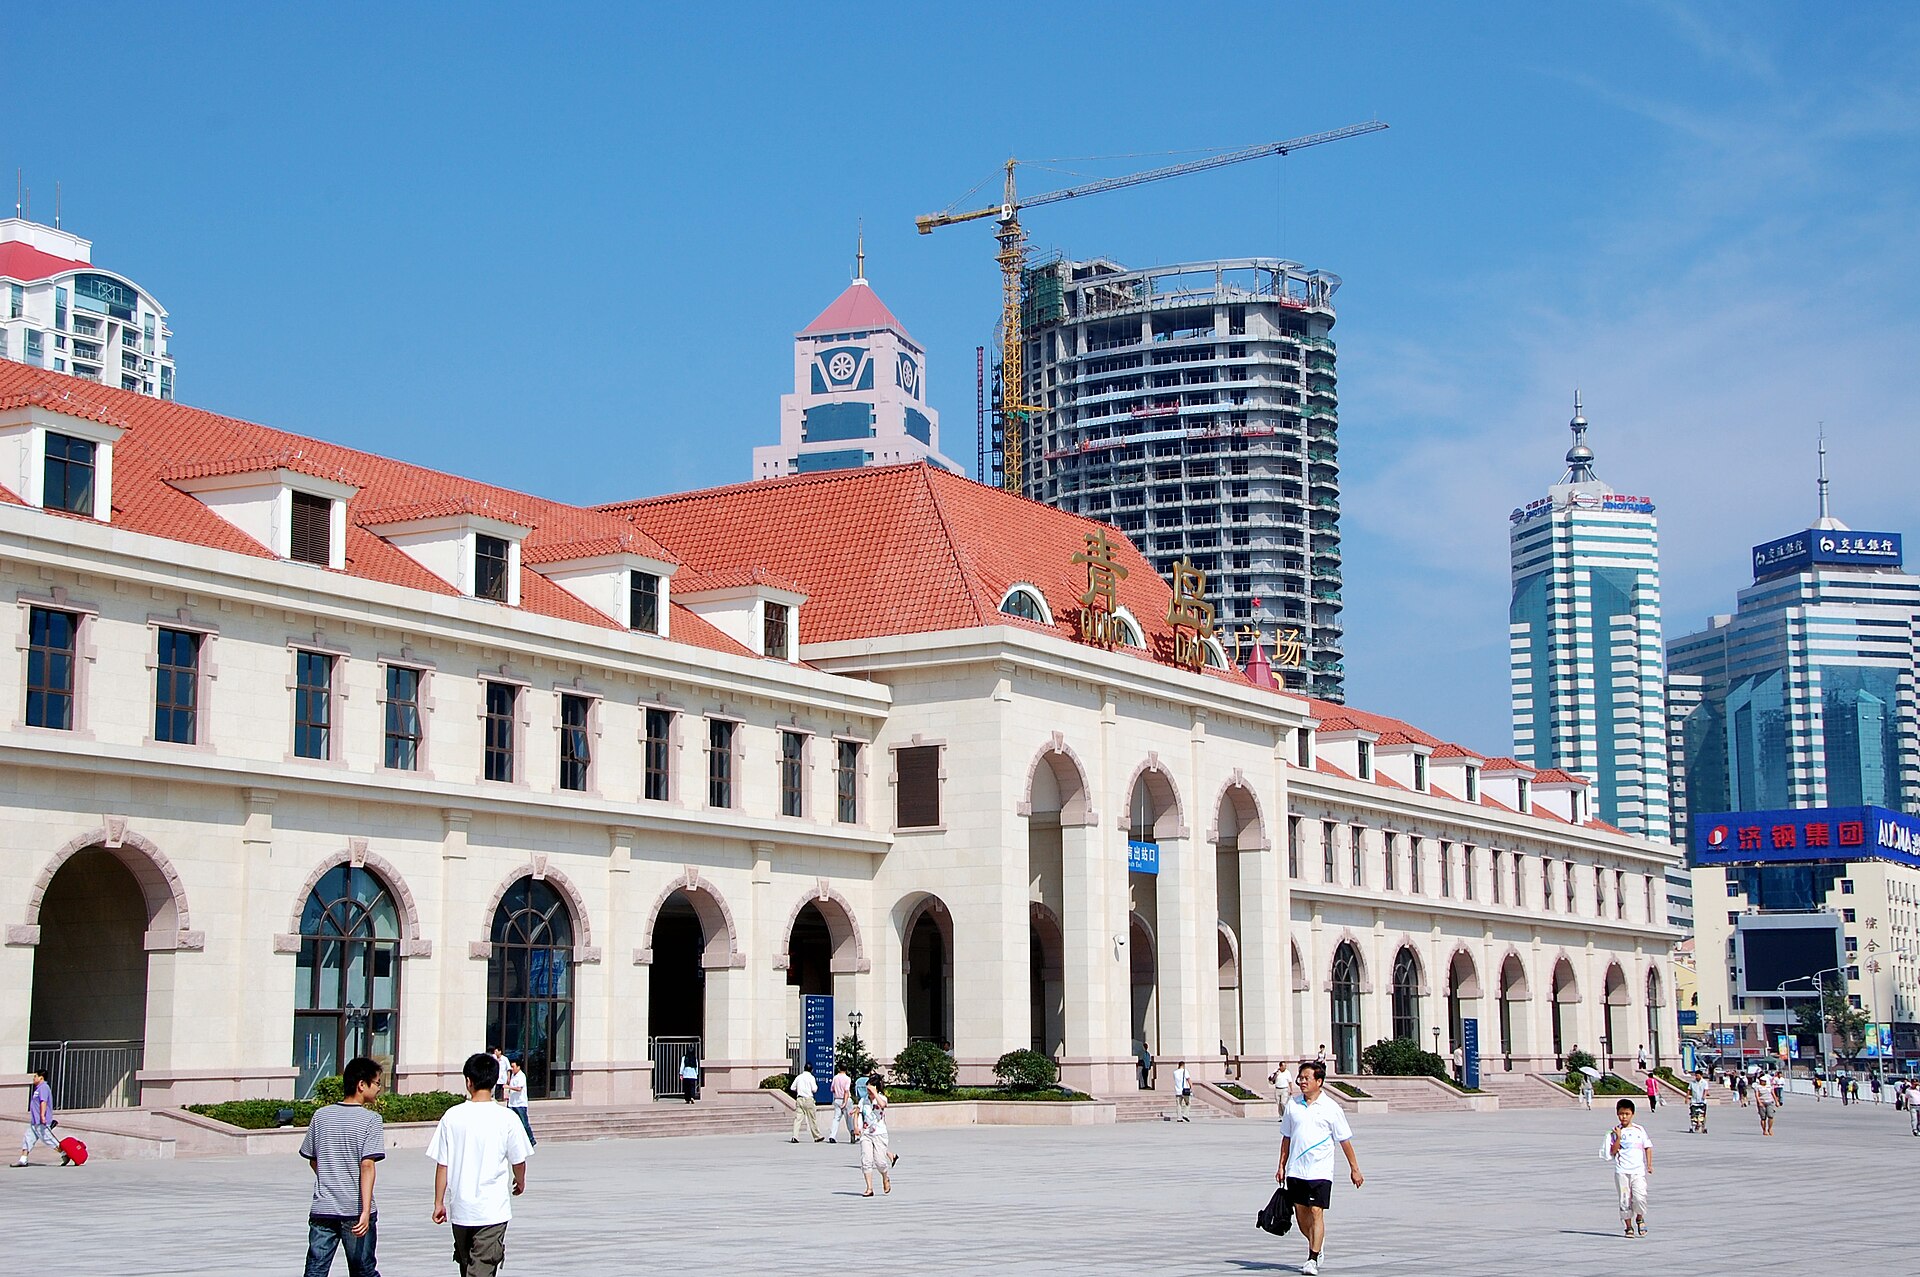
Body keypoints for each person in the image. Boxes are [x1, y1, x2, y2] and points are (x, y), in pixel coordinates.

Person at [428, 1052, 533, 1277]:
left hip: (461, 1209)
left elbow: (442, 1164)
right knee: (479, 1270)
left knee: (469, 1268)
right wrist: (520, 1181)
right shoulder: (507, 1118)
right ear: (496, 1081)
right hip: (492, 1211)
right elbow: (519, 1160)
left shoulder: (452, 1116)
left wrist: (438, 1202)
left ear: (469, 1081)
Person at [299, 1056, 387, 1277]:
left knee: (315, 1271)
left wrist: (331, 1176)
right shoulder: (371, 1120)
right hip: (354, 1210)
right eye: (377, 1083)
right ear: (361, 1085)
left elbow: (313, 1159)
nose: (379, 1089)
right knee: (364, 1271)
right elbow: (367, 1165)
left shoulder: (320, 1116)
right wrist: (366, 1211)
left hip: (323, 1208)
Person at [1275, 1061, 1363, 1277]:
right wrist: (1281, 1165)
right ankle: (1318, 1243)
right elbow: (1286, 1138)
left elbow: (1344, 1140)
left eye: (1307, 1078)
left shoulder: (1331, 1108)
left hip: (1320, 1171)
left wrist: (1354, 1169)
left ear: (1319, 1081)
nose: (1302, 1082)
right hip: (1297, 1169)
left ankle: (1312, 1258)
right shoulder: (1293, 1105)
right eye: (1301, 1078)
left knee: (1316, 1212)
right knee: (1302, 1216)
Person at [1605, 1099, 1653, 1238]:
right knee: (1625, 1200)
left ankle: (1639, 1217)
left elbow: (1648, 1147)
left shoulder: (1639, 1130)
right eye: (1621, 1114)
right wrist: (1618, 1137)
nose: (1623, 1117)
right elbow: (1613, 1152)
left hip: (1638, 1171)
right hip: (1622, 1171)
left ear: (1632, 1114)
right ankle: (1628, 1227)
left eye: (1626, 1113)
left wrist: (1649, 1165)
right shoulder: (1615, 1131)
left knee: (1640, 1197)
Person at [14, 1067, 62, 1167]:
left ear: (41, 1078)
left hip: (41, 1120)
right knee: (28, 1138)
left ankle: (64, 1154)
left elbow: (43, 1102)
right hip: (35, 1121)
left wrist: (42, 1116)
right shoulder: (38, 1089)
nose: (33, 1078)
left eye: (35, 1076)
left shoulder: (44, 1087)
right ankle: (23, 1160)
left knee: (48, 1140)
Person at [853, 1075, 892, 1197]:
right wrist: (856, 1127)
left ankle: (885, 1177)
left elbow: (883, 1105)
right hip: (866, 1133)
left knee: (880, 1162)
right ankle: (869, 1188)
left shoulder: (881, 1097)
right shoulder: (863, 1100)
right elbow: (857, 1112)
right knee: (866, 1160)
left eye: (870, 1088)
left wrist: (875, 1093)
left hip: (880, 1133)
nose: (868, 1091)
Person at [503, 1059, 534, 1146]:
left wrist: (508, 1087)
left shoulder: (521, 1076)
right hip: (512, 1103)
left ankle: (531, 1139)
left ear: (518, 1067)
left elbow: (519, 1088)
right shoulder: (513, 1075)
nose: (512, 1069)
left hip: (520, 1104)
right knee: (510, 1123)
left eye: (513, 1067)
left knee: (524, 1123)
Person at [789, 1066, 823, 1143]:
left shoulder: (799, 1077)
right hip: (808, 1099)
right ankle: (817, 1136)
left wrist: (799, 1089)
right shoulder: (811, 1078)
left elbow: (792, 1088)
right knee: (812, 1119)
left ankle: (795, 1136)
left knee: (798, 1119)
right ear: (812, 1069)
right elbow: (814, 1089)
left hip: (800, 1099)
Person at [826, 1067, 853, 1143]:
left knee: (836, 1118)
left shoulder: (835, 1078)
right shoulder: (847, 1079)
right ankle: (853, 1133)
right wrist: (844, 1102)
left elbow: (832, 1089)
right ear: (846, 1069)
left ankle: (832, 1136)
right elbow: (846, 1091)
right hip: (846, 1100)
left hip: (837, 1099)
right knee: (849, 1119)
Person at [1752, 1071, 1777, 1137]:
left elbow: (1773, 1094)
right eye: (1761, 1080)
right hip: (1762, 1102)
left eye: (1762, 1081)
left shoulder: (1769, 1087)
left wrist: (1776, 1101)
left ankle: (1770, 1129)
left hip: (1770, 1102)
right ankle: (1764, 1130)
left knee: (1770, 1116)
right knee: (1763, 1118)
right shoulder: (1757, 1087)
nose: (1761, 1082)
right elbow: (1757, 1095)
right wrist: (1759, 1102)